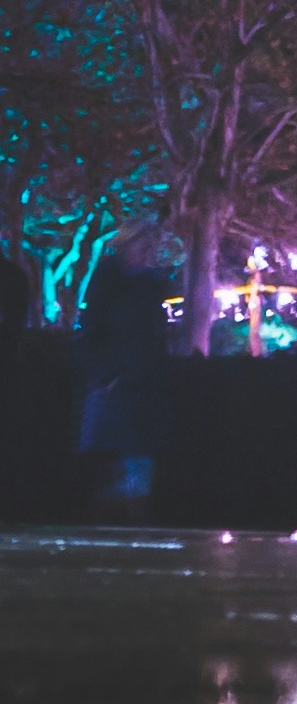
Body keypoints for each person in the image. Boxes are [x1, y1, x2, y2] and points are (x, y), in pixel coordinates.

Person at [77, 218, 175, 518]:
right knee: (115, 453)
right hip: (115, 377)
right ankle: (113, 512)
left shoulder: (149, 282)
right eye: (143, 242)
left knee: (135, 454)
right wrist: (102, 373)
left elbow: (153, 331)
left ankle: (128, 511)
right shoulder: (111, 278)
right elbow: (95, 327)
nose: (148, 249)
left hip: (140, 379)